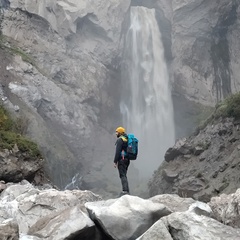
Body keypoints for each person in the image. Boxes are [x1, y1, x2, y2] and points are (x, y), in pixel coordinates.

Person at [114, 126, 130, 196]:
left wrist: (115, 161)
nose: (115, 134)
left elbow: (117, 152)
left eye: (117, 132)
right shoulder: (126, 139)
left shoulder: (120, 140)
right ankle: (127, 190)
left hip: (122, 160)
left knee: (122, 175)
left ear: (120, 133)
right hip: (127, 160)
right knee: (124, 175)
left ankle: (125, 191)